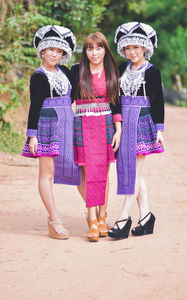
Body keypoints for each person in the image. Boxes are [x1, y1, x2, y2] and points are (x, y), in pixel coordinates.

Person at [22, 25, 81, 239]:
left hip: (68, 123)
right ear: (42, 51)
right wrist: (33, 134)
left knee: (79, 169)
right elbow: (34, 106)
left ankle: (95, 215)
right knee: (46, 173)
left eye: (59, 51)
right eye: (50, 50)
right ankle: (54, 219)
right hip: (46, 124)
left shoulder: (65, 72)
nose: (54, 54)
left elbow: (75, 94)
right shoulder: (38, 76)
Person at [108, 22, 164, 239]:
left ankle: (123, 218)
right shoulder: (121, 69)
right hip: (124, 122)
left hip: (142, 121)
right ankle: (146, 216)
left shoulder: (152, 72)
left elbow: (157, 102)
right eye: (128, 48)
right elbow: (115, 97)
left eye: (137, 48)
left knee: (133, 169)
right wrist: (117, 124)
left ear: (145, 48)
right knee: (136, 173)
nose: (132, 52)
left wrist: (159, 129)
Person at [71, 32, 122, 242]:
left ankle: (102, 217)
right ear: (85, 51)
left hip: (106, 125)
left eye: (99, 48)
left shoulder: (112, 71)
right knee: (86, 173)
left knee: (103, 172)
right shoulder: (76, 72)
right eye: (90, 48)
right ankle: (91, 219)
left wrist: (118, 129)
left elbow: (116, 102)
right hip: (82, 124)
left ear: (104, 50)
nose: (94, 53)